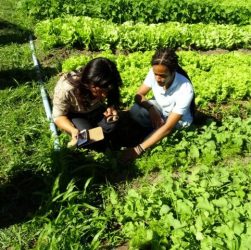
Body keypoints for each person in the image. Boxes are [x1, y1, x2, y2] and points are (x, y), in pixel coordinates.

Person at [120, 47, 195, 163]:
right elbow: (139, 95)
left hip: (178, 122)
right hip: (161, 109)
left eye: (163, 76)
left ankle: (151, 136)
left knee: (165, 131)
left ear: (173, 71)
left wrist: (138, 149)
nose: (158, 79)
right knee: (136, 110)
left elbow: (168, 127)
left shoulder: (185, 88)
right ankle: (153, 132)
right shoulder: (155, 72)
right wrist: (151, 110)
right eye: (156, 74)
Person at [52, 57, 122, 149]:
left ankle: (102, 134)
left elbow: (114, 95)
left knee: (113, 125)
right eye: (100, 91)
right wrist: (72, 130)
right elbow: (58, 117)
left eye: (107, 90)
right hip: (76, 113)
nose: (104, 95)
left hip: (96, 109)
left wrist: (112, 107)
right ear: (89, 83)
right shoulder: (66, 89)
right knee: (86, 139)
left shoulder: (108, 82)